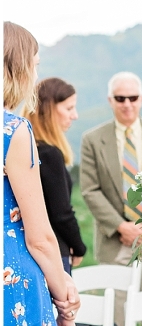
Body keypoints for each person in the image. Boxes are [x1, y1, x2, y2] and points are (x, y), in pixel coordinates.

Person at [79, 71, 142, 326]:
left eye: (132, 98)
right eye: (120, 98)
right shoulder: (92, 139)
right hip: (115, 241)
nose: (127, 104)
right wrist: (122, 227)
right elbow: (90, 190)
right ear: (110, 100)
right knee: (117, 319)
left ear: (141, 99)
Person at [4, 21, 80, 326]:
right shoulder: (13, 131)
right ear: (17, 68)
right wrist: (63, 295)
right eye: (34, 66)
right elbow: (39, 238)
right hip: (11, 278)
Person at [22, 78, 87, 275]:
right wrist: (79, 246)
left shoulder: (27, 150)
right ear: (49, 109)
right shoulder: (49, 154)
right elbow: (61, 214)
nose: (74, 116)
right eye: (69, 109)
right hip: (54, 253)